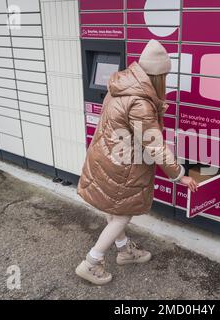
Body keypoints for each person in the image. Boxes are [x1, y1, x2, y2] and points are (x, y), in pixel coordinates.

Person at [76, 39, 198, 285]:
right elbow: (154, 144)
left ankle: (124, 251)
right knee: (122, 215)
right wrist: (178, 175)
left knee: (114, 210)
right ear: (159, 75)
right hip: (122, 167)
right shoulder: (140, 102)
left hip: (104, 157)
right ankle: (91, 262)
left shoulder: (121, 84)